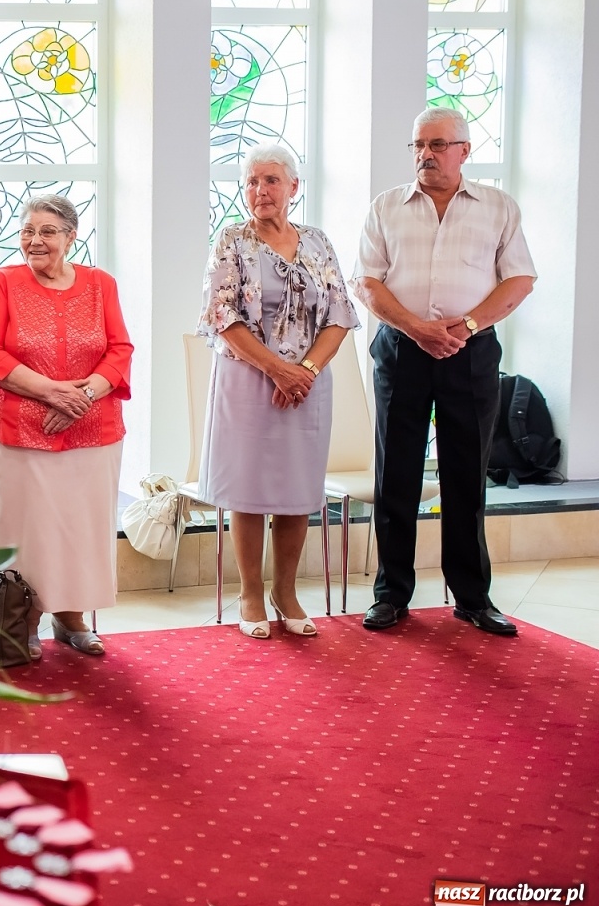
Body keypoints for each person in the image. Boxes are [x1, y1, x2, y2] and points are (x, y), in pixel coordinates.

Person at [351, 107, 536, 636]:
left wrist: (469, 324)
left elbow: (519, 279)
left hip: (471, 352)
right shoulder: (386, 207)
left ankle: (473, 598)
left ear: (464, 151)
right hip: (401, 352)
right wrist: (416, 327)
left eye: (437, 144)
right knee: (396, 476)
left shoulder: (498, 208)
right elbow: (368, 283)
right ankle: (391, 595)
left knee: (465, 474)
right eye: (417, 145)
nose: (425, 155)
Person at [196, 144, 361, 640]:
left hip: (308, 384)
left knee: (297, 490)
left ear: (294, 187)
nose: (259, 191)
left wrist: (304, 370)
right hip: (248, 379)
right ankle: (250, 592)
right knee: (249, 490)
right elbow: (223, 318)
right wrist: (278, 371)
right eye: (250, 182)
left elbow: (339, 313)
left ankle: (285, 591)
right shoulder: (231, 241)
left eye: (270, 181)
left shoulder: (317, 241)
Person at [0, 195, 133, 658]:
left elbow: (120, 349)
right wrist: (51, 392)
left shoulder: (101, 284)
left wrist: (80, 397)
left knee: (79, 529)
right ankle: (20, 620)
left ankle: (72, 619)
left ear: (70, 236)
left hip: (91, 429)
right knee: (26, 531)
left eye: (47, 231)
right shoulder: (2, 282)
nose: (35, 240)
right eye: (27, 231)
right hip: (18, 429)